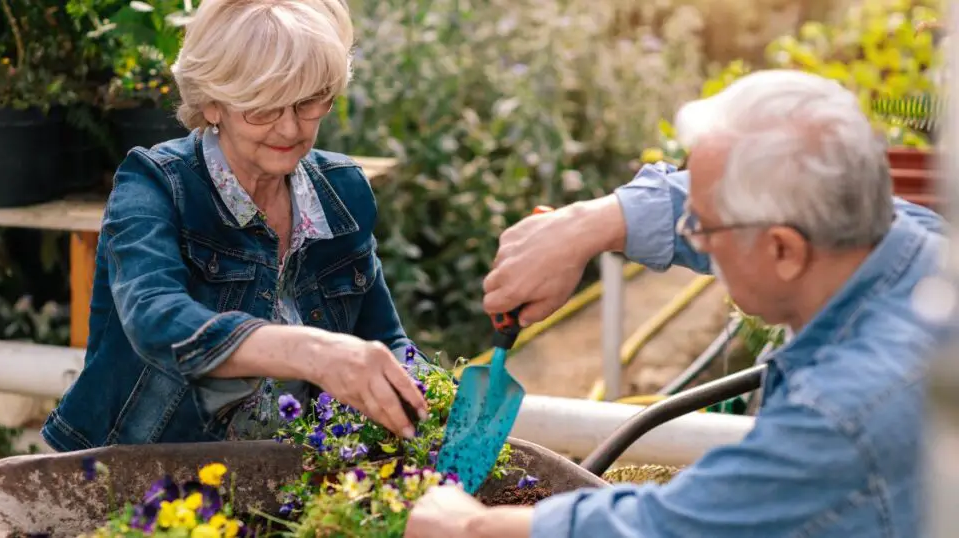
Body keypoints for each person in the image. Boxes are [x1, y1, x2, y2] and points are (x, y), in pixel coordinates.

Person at [405, 69, 949, 537]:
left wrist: (467, 525)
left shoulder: (845, 412)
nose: (695, 236)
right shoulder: (912, 243)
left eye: (702, 225)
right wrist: (595, 222)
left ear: (784, 249)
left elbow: (676, 527)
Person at [42, 0, 428, 451]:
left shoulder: (342, 191)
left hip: (282, 482)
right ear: (211, 104)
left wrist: (433, 398)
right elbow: (156, 318)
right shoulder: (155, 184)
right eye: (262, 108)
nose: (288, 128)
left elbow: (383, 337)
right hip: (133, 475)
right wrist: (312, 352)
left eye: (307, 103)